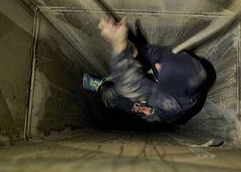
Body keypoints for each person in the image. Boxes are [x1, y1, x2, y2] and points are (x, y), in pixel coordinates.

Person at [82, 16, 216, 124]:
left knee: (117, 97)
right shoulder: (185, 68)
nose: (157, 66)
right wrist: (133, 49)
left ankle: (102, 87)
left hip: (157, 109)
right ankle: (124, 72)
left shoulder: (169, 103)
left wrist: (118, 44)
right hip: (161, 88)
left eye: (162, 70)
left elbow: (129, 87)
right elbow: (156, 53)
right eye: (163, 64)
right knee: (136, 73)